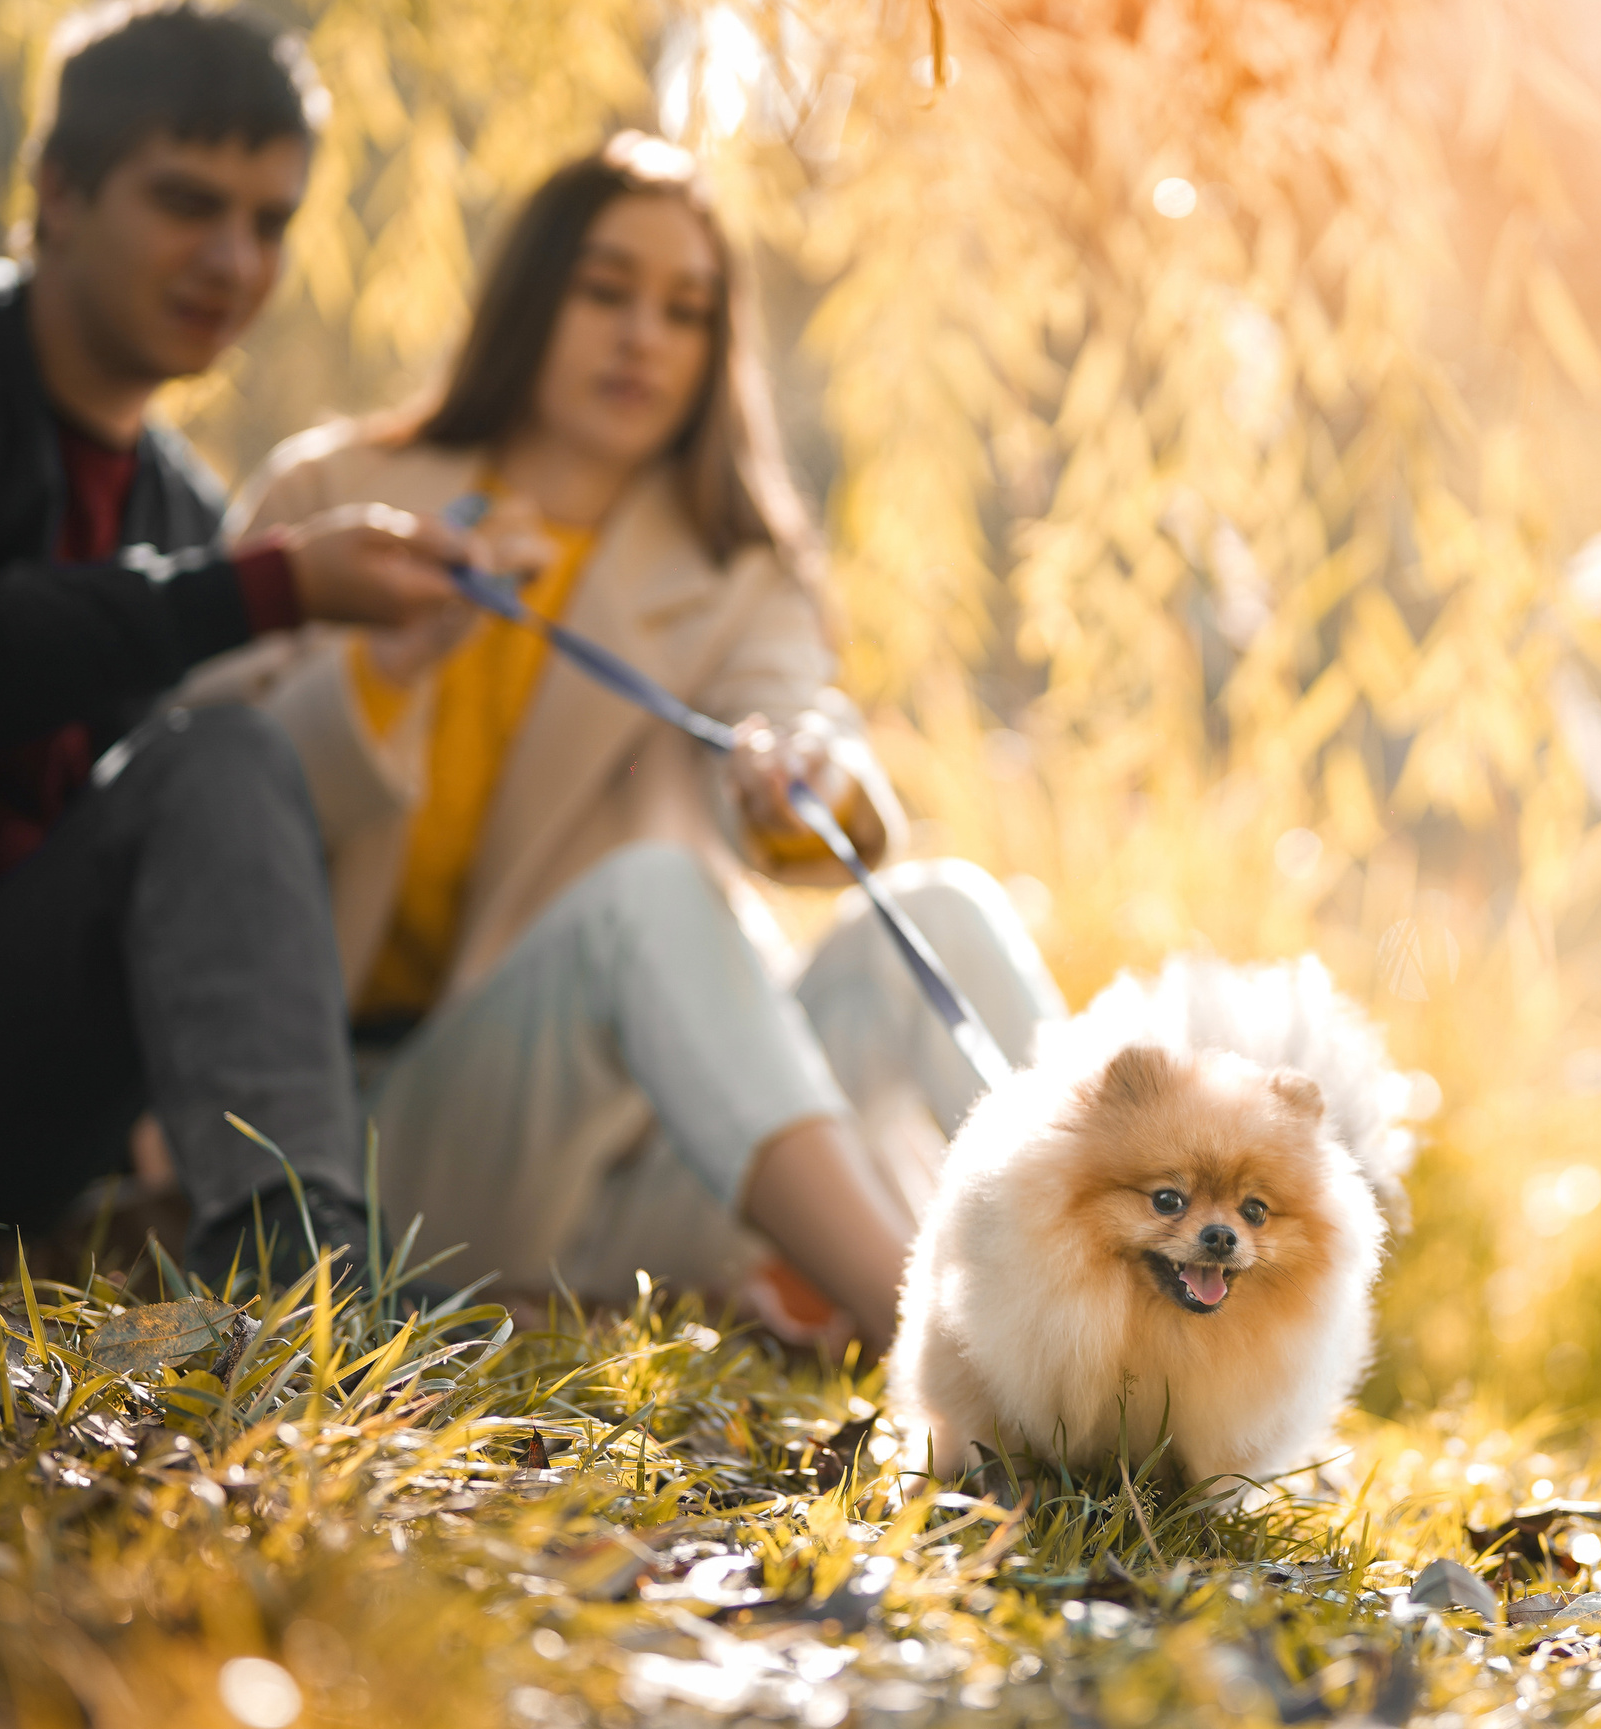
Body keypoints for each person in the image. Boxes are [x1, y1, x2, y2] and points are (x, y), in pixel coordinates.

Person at [189, 133, 1064, 1357]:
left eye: (685, 311)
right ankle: (945, 1349)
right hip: (386, 1148)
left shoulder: (734, 566)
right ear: (531, 298)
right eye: (606, 292)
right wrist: (389, 666)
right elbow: (200, 794)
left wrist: (798, 773)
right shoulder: (336, 492)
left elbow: (798, 706)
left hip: (663, 1162)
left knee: (946, 913)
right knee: (646, 896)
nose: (643, 337)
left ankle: (1126, 1310)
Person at [0, 3, 473, 1284]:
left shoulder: (184, 509)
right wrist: (274, 584)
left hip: (0, 1068)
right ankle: (303, 1268)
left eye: (271, 223)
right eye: (187, 203)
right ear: (59, 190)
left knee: (228, 756)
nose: (233, 261)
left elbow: (199, 835)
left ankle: (303, 1269)